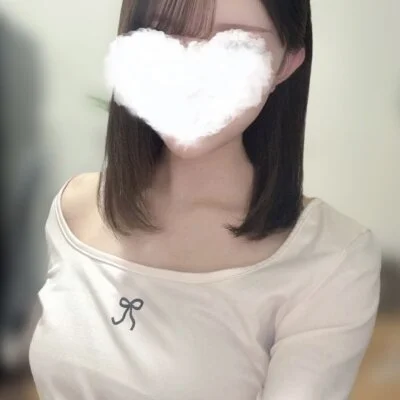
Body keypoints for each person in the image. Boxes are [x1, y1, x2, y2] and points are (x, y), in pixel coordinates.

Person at [29, 0, 382, 399]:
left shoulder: (332, 257)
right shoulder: (75, 208)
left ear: (286, 64)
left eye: (236, 43)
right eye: (166, 32)